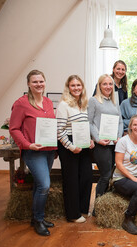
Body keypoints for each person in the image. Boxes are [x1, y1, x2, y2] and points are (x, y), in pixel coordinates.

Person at [9, 70, 57, 236]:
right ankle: (38, 220)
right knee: (44, 185)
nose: (39, 84)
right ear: (28, 84)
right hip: (33, 151)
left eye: (41, 81)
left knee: (38, 184)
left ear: (45, 82)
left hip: (49, 150)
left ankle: (37, 218)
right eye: (35, 81)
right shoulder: (21, 103)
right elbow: (13, 128)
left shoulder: (48, 102)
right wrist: (27, 145)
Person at [56, 75, 95, 223]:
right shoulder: (64, 105)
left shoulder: (83, 104)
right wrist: (71, 147)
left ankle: (83, 209)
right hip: (68, 145)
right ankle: (73, 214)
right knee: (71, 180)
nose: (76, 88)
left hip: (83, 143)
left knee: (86, 176)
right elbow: (59, 130)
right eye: (73, 85)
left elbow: (85, 126)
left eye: (79, 85)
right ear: (68, 87)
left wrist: (89, 140)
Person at [88, 74, 123, 199]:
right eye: (105, 84)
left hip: (114, 144)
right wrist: (98, 139)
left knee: (112, 174)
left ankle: (105, 202)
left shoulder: (115, 100)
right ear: (99, 86)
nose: (108, 87)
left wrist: (118, 138)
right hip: (101, 145)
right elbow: (89, 122)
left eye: (110, 84)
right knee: (105, 175)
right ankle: (98, 205)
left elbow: (120, 121)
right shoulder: (94, 100)